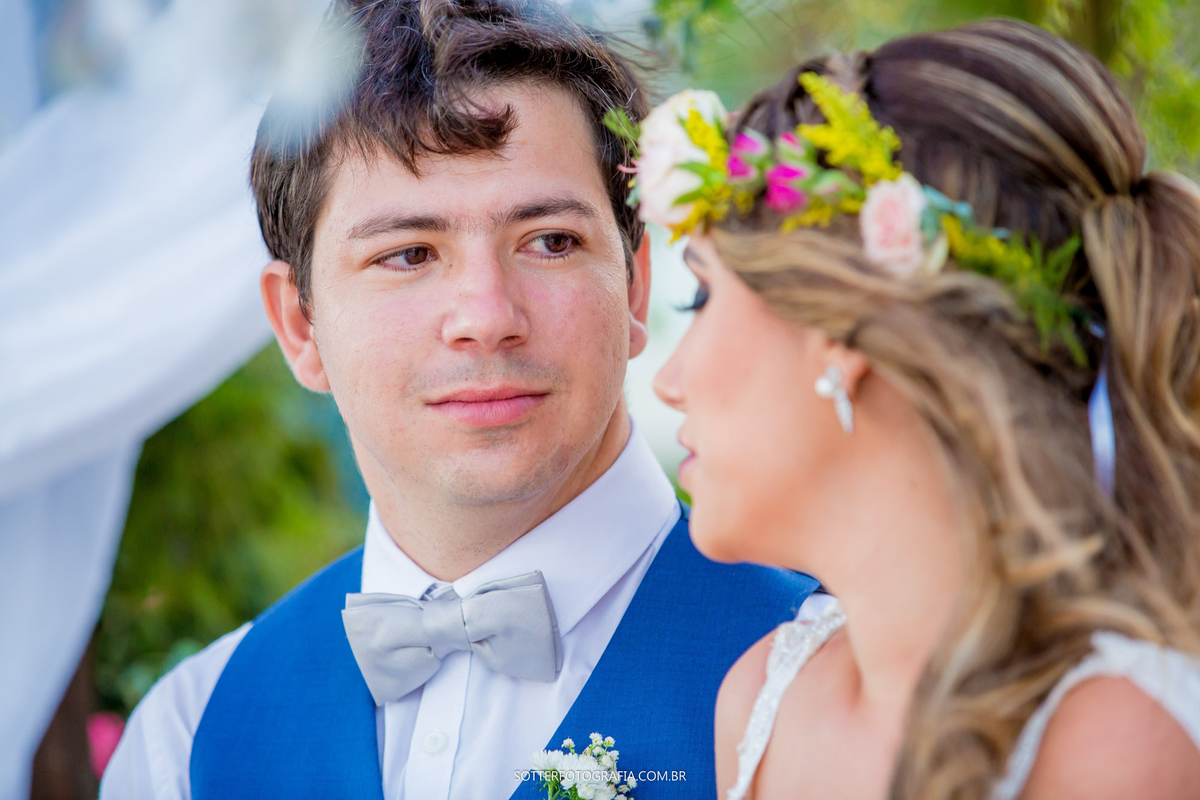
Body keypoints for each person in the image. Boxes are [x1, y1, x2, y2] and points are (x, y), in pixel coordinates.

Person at [99, 0, 817, 798]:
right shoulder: (188, 738)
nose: (486, 317)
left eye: (549, 241)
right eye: (409, 254)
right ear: (300, 325)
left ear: (636, 284)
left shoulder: (832, 678)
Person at [642, 19, 1200, 800]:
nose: (669, 378)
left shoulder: (1119, 742)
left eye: (701, 294)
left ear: (841, 326)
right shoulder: (761, 700)